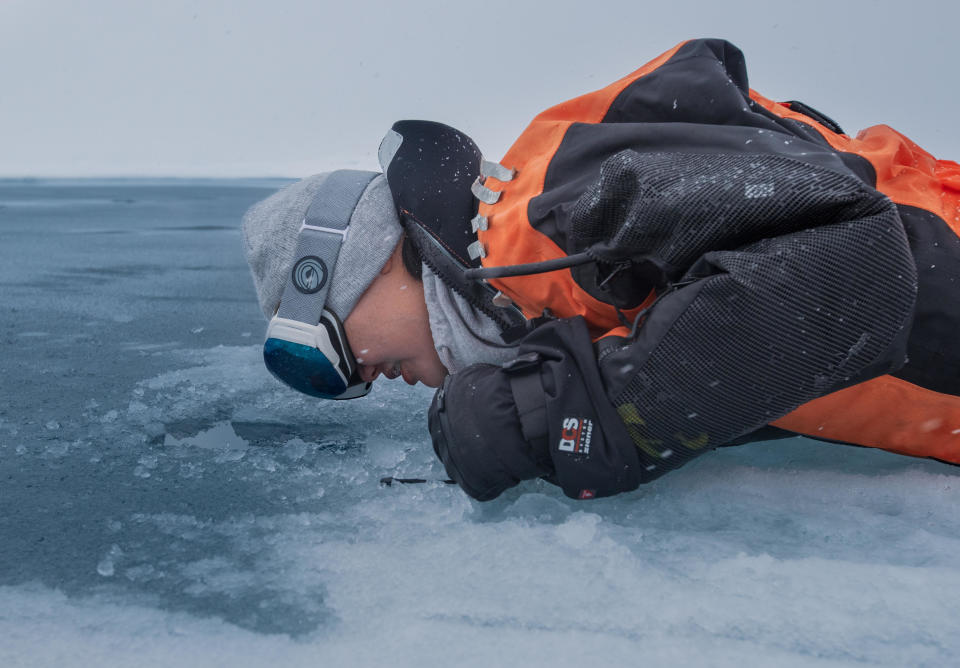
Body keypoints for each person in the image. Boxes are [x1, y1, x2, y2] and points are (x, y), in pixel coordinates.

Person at [242, 38, 960, 501]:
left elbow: (854, 271)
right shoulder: (540, 274)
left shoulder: (553, 217)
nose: (361, 379)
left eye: (323, 351)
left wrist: (562, 414)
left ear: (372, 260)